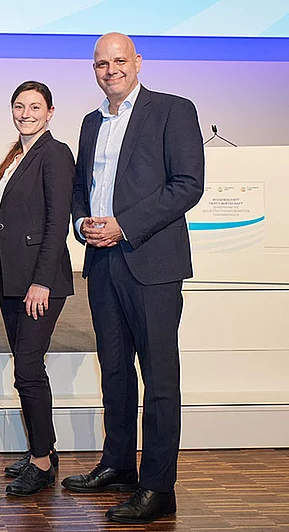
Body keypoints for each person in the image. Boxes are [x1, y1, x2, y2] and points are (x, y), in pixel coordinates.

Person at [63, 32, 204, 524]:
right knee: (116, 372)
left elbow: (188, 185)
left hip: (152, 263)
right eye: (101, 63)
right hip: (102, 264)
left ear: (137, 62)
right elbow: (82, 187)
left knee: (160, 380)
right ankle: (119, 464)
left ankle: (159, 487)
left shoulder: (173, 109)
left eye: (119, 60)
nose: (110, 70)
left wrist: (125, 225)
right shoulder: (89, 122)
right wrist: (82, 223)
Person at [0, 81, 74, 496]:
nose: (26, 113)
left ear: (50, 111)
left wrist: (41, 281)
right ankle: (43, 450)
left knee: (28, 369)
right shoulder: (17, 155)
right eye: (19, 105)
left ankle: (40, 461)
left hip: (39, 282)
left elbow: (56, 223)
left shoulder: (54, 153)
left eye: (35, 106)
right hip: (12, 279)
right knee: (27, 366)